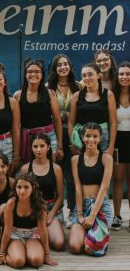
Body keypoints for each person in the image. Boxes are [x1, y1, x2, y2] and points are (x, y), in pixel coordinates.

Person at [0, 171, 57, 268]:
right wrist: (1, 254)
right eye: (19, 187)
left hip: (33, 235)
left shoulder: (40, 205)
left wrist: (47, 255)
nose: (22, 191)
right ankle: (10, 257)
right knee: (18, 262)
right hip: (15, 236)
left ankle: (27, 253)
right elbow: (7, 230)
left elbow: (43, 231)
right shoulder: (11, 203)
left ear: (33, 187)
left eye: (26, 187)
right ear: (15, 188)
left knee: (37, 261)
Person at [69, 122, 113, 256]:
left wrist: (92, 216)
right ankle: (87, 233)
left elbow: (104, 188)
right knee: (75, 247)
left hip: (100, 208)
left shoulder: (106, 158)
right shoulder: (76, 159)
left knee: (92, 249)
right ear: (82, 137)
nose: (91, 140)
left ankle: (92, 233)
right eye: (88, 136)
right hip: (82, 204)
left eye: (95, 136)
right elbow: (77, 187)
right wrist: (80, 214)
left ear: (100, 138)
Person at [47, 54, 81, 228]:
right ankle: (56, 212)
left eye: (65, 64)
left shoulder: (79, 86)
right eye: (59, 65)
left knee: (72, 176)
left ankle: (74, 211)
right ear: (54, 68)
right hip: (55, 135)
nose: (63, 67)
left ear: (70, 66)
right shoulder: (48, 88)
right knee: (55, 174)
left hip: (75, 135)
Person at [13, 59, 63, 164]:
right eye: (30, 72)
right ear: (25, 75)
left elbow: (58, 121)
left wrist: (60, 147)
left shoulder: (50, 93)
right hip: (28, 140)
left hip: (49, 138)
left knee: (50, 170)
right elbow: (16, 126)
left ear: (42, 75)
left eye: (37, 72)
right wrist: (16, 153)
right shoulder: (18, 95)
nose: (33, 74)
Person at [21, 134, 65, 251]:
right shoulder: (25, 168)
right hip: (32, 208)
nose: (38, 149)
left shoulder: (56, 169)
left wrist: (50, 215)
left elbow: (60, 197)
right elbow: (21, 194)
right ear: (31, 148)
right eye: (35, 146)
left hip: (51, 208)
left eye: (42, 146)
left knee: (59, 243)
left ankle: (41, 234)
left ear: (48, 147)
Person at [68, 63, 117, 156]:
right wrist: (73, 144)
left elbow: (113, 123)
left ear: (99, 75)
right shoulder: (76, 96)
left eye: (90, 74)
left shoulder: (108, 95)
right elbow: (71, 123)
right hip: (82, 139)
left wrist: (111, 147)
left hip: (103, 139)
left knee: (103, 168)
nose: (87, 78)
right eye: (84, 75)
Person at [111, 62, 130, 231]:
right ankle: (116, 216)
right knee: (117, 179)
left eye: (128, 74)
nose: (124, 77)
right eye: (121, 74)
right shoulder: (112, 96)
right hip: (117, 141)